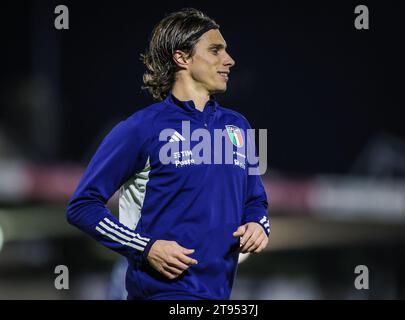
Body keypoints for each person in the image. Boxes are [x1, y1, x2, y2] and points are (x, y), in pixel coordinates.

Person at [67, 8, 270, 300]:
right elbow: (82, 206)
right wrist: (145, 247)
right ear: (182, 58)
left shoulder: (239, 126)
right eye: (216, 50)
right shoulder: (141, 128)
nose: (229, 60)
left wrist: (258, 225)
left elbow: (255, 201)